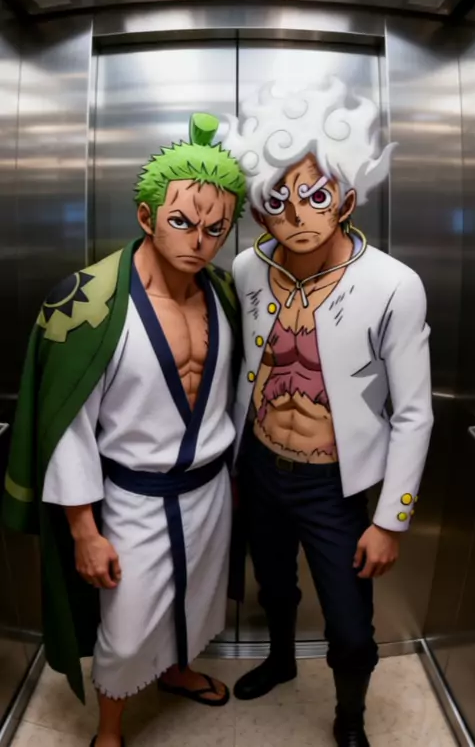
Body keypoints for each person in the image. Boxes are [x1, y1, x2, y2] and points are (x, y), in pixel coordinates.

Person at [2, 113, 246, 747]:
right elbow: (68, 427)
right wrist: (85, 531)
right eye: (182, 221)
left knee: (199, 597)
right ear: (146, 216)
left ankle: (179, 671)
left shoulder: (222, 293)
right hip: (134, 496)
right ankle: (109, 730)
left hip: (209, 490)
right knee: (128, 622)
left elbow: (228, 395)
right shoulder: (87, 302)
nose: (199, 240)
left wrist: (233, 479)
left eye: (215, 228)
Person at [223, 79, 434, 747]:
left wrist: (391, 519)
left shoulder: (394, 284)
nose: (297, 214)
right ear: (259, 211)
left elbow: (415, 413)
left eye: (316, 194)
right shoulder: (246, 268)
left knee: (350, 627)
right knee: (273, 585)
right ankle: (281, 659)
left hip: (334, 483)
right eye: (277, 199)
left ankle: (350, 717)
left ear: (346, 196)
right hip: (260, 465)